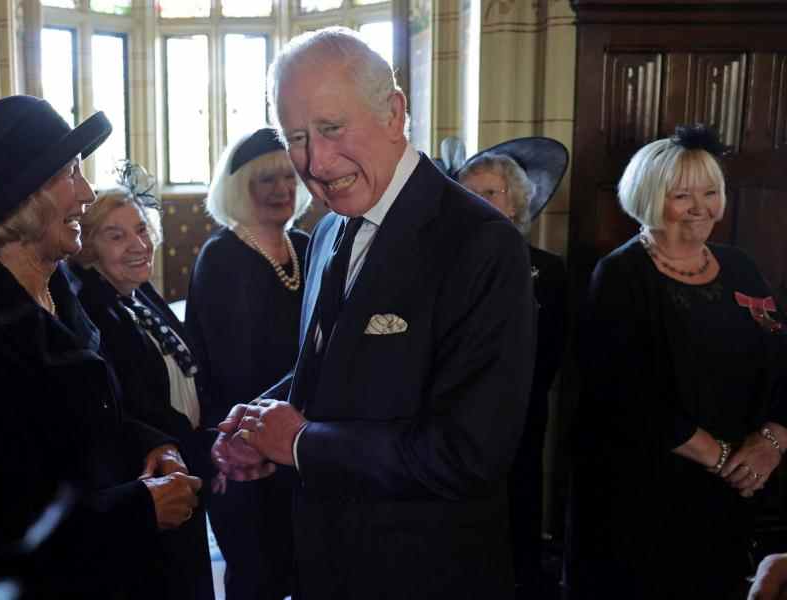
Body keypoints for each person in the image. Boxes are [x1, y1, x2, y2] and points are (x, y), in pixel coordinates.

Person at [213, 27, 536, 599]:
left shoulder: (482, 243)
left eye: (332, 129)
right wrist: (262, 419)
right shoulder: (328, 229)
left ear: (394, 112)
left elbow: (468, 453)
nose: (314, 161)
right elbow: (332, 367)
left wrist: (298, 444)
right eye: (295, 137)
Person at [0, 95, 202, 598]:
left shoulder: (63, 290)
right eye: (70, 173)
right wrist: (140, 509)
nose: (88, 193)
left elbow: (94, 419)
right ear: (22, 199)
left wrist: (151, 444)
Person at [565, 124, 787, 600]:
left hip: (734, 490)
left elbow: (780, 362)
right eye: (682, 195)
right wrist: (725, 460)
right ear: (648, 196)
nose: (700, 207)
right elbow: (623, 393)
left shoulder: (741, 267)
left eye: (710, 192)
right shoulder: (621, 275)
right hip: (643, 495)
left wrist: (772, 440)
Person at [70, 162, 214, 600]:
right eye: (116, 235)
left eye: (141, 230)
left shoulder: (140, 293)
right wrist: (208, 450)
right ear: (88, 247)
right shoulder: (93, 310)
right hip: (149, 488)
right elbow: (129, 407)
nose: (139, 245)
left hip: (185, 469)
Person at [185, 128, 310, 600]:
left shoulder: (305, 243)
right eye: (266, 180)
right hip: (243, 446)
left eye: (287, 177)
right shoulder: (222, 256)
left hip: (300, 439)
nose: (281, 189)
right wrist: (256, 435)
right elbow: (231, 367)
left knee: (301, 568)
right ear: (241, 188)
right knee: (256, 574)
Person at [455, 137, 569, 598]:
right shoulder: (444, 269)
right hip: (456, 421)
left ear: (517, 202)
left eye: (490, 194)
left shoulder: (549, 270)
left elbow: (552, 352)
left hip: (521, 414)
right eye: (469, 194)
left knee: (519, 506)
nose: (477, 204)